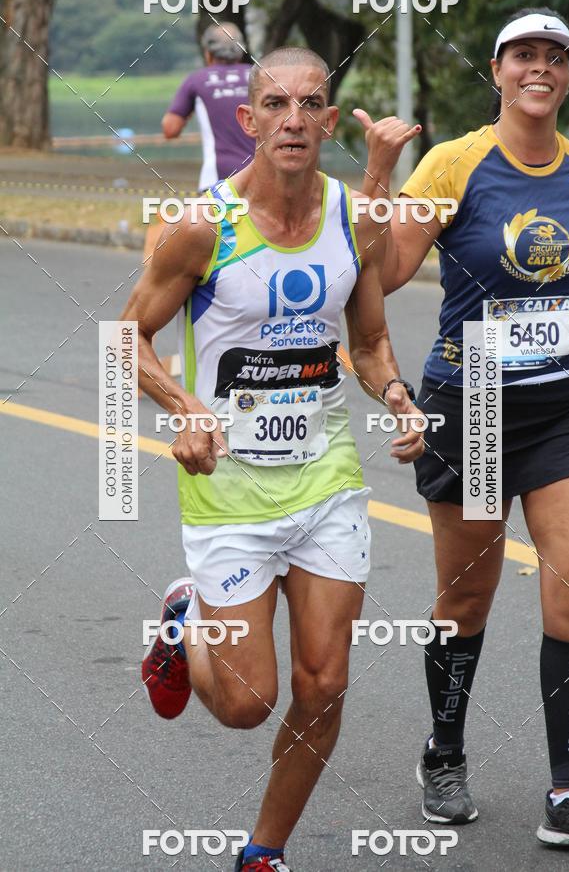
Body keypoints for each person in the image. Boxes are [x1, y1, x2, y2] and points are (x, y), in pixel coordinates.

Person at [124, 47, 424, 871]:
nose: (294, 119)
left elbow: (367, 342)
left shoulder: (353, 218)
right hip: (230, 491)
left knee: (324, 684)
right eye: (276, 104)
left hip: (327, 480)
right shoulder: (199, 227)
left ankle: (264, 853)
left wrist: (395, 395)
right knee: (250, 703)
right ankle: (185, 623)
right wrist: (183, 406)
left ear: (330, 120)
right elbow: (127, 338)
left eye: (311, 104)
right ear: (247, 119)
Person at [356, 8, 569, 850]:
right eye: (524, 55)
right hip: (477, 403)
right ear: (497, 70)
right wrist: (380, 174)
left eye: (554, 58)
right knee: (467, 595)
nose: (540, 69)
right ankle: (444, 753)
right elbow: (382, 276)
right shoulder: (455, 163)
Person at [162, 22, 255, 191]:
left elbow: (170, 129)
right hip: (264, 179)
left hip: (217, 180)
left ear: (208, 53)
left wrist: (191, 109)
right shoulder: (261, 76)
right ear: (240, 51)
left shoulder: (197, 80)